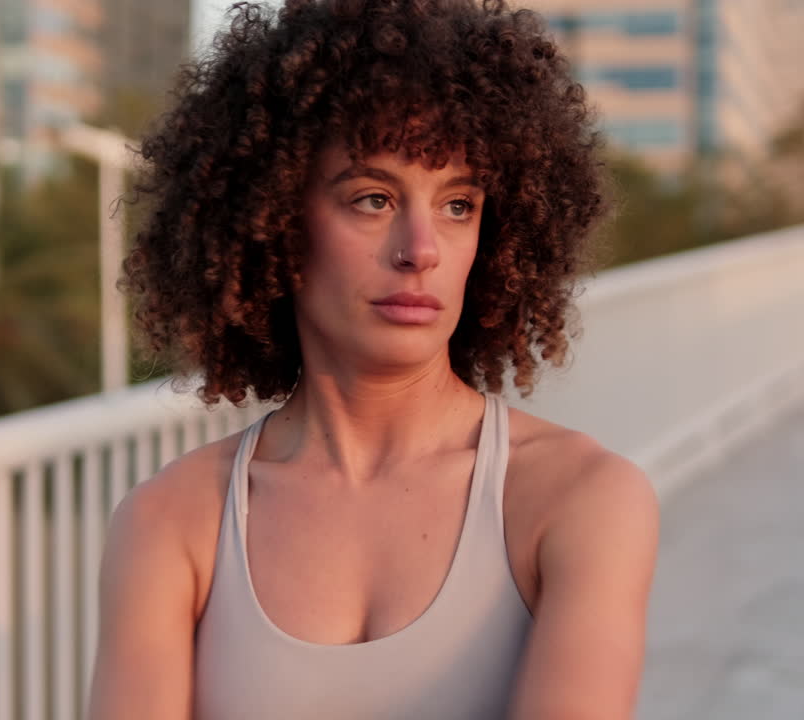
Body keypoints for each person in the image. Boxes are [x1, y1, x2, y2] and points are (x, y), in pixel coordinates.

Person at [88, 0, 659, 718]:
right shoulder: (170, 522)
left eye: (458, 206)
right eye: (373, 198)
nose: (420, 250)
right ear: (274, 219)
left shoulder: (580, 500)